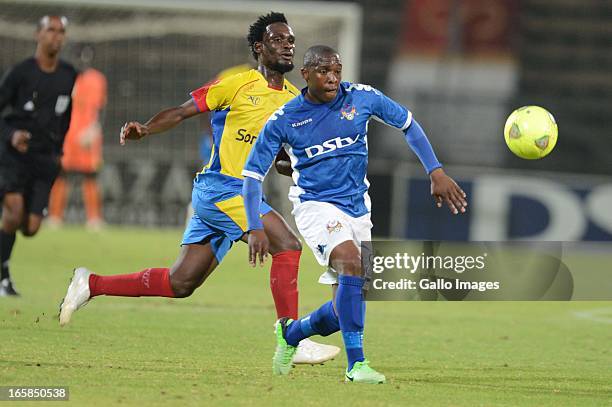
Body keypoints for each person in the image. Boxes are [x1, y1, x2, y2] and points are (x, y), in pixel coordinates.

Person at [59, 13, 340, 365]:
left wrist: (305, 167)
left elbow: (285, 159)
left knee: (181, 283)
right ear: (259, 48)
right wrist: (146, 129)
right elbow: (180, 112)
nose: (288, 45)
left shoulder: (294, 99)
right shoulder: (235, 85)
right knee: (287, 244)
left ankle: (90, 284)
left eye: (291, 40)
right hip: (221, 189)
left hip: (243, 194)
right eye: (279, 39)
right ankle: (290, 337)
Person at [242, 45, 468, 383]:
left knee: (343, 307)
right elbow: (251, 177)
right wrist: (254, 225)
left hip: (359, 208)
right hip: (315, 205)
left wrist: (435, 171)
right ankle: (356, 366)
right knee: (350, 262)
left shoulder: (362, 97)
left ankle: (291, 335)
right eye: (323, 71)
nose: (332, 77)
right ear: (305, 75)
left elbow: (409, 124)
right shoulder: (285, 118)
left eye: (336, 69)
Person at [0, 16, 77, 296]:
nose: (56, 36)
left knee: (30, 227)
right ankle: (3, 277)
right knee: (13, 212)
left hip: (46, 159)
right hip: (15, 156)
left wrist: (59, 151)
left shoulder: (69, 74)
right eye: (50, 30)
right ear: (38, 35)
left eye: (61, 32)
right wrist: (11, 135)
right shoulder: (20, 73)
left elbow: (66, 115)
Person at [48, 46, 107, 230]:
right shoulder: (64, 77)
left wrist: (94, 129)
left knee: (90, 176)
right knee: (60, 174)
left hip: (87, 135)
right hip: (67, 133)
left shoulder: (98, 79)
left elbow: (101, 108)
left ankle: (94, 219)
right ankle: (55, 217)